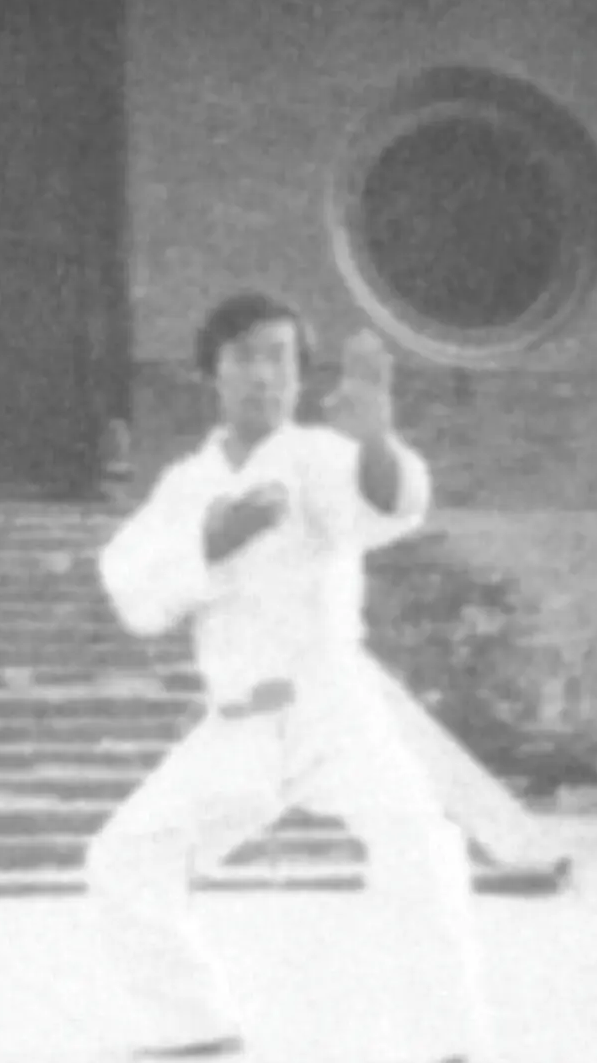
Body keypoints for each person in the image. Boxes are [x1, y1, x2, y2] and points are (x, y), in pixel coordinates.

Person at [86, 291, 492, 1063]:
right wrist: (212, 540)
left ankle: (449, 1047)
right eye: (245, 356)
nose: (263, 375)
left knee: (422, 845)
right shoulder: (187, 483)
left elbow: (384, 510)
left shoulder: (319, 458)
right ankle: (192, 1028)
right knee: (123, 858)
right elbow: (131, 589)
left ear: (300, 375)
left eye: (280, 357)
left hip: (333, 708)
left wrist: (374, 437)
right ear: (214, 372)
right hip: (238, 723)